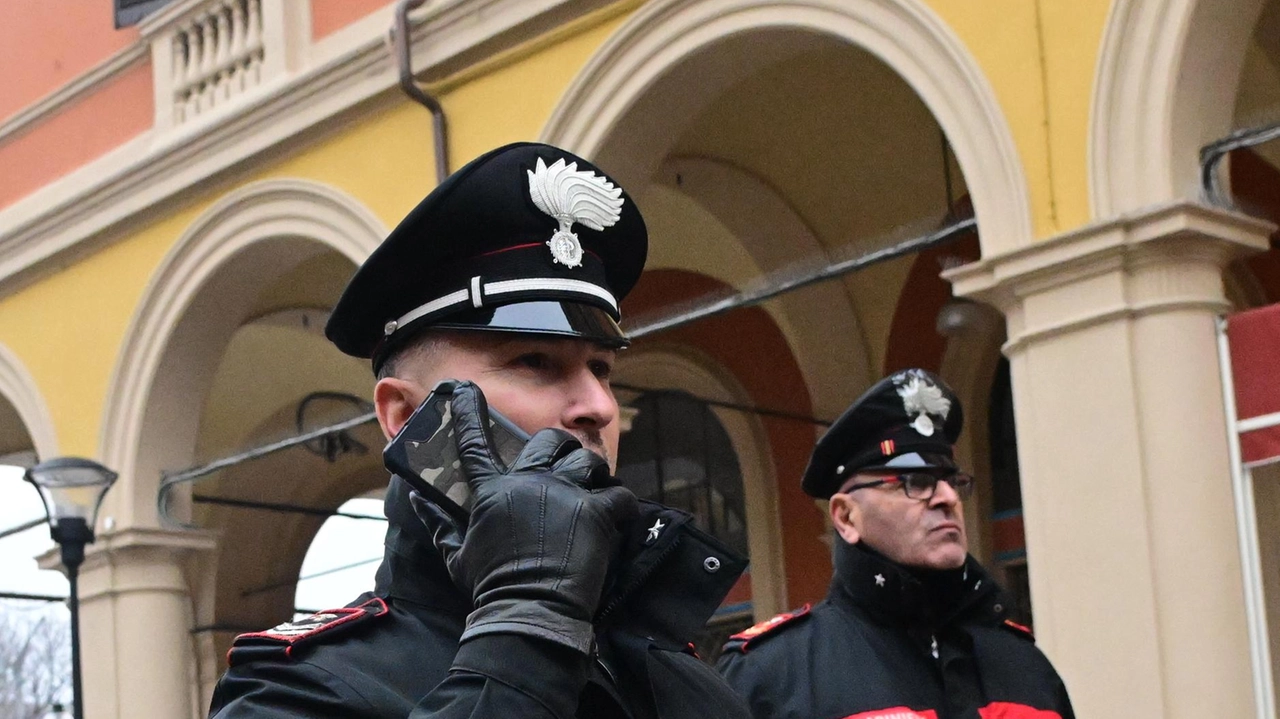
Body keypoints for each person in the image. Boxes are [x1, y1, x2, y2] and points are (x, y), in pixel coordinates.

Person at [208, 142, 750, 719]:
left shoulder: (680, 678)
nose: (598, 405)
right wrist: (526, 628)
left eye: (602, 368)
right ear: (404, 418)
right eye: (534, 362)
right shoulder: (300, 690)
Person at [717, 369, 1074, 719]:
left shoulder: (1023, 663)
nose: (947, 497)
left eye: (952, 480)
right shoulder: (775, 674)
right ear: (846, 517)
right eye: (916, 482)